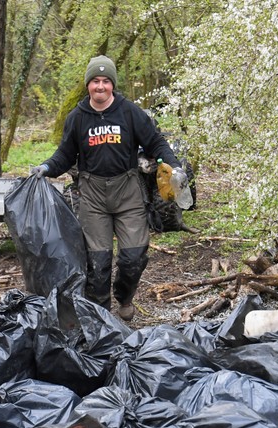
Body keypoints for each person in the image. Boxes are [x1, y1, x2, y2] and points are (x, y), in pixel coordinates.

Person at [32, 55, 186, 321]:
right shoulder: (77, 118)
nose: (100, 86)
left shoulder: (130, 112)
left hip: (128, 192)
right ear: (88, 85)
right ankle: (101, 315)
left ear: (112, 84)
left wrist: (174, 166)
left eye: (105, 81)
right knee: (98, 264)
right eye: (95, 81)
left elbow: (156, 143)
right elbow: (64, 155)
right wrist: (45, 168)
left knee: (134, 256)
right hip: (93, 196)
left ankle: (125, 297)